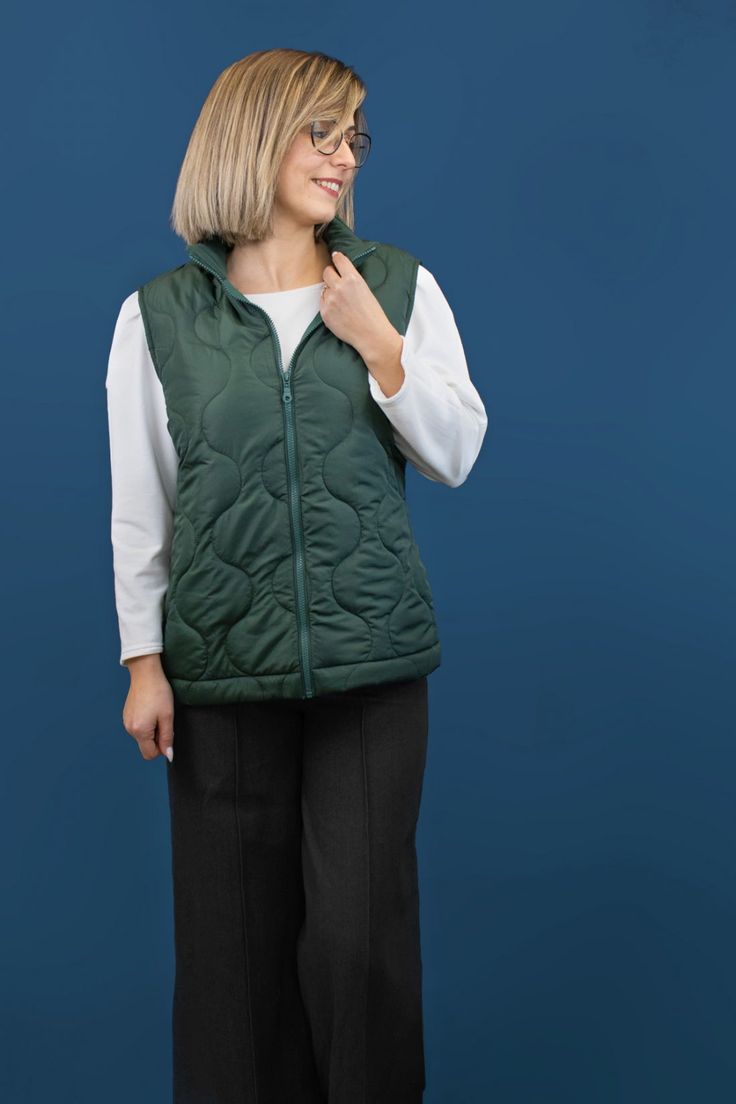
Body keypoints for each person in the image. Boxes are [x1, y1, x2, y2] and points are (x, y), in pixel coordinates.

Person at [105, 47, 487, 1104]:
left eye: (354, 135)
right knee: (232, 962)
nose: (344, 155)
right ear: (252, 135)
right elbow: (144, 503)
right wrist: (144, 660)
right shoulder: (158, 318)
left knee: (361, 950)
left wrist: (379, 347)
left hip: (372, 674)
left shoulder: (398, 286)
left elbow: (456, 450)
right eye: (321, 131)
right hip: (219, 676)